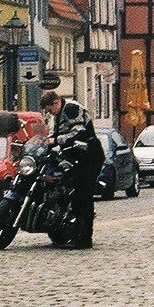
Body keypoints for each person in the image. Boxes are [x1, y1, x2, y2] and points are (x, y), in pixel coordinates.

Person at [41, 90, 104, 250]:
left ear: (56, 102)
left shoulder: (71, 109)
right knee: (76, 198)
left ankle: (84, 240)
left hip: (89, 155)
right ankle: (74, 234)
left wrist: (55, 140)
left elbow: (78, 132)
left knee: (84, 198)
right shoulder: (60, 112)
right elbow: (59, 133)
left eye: (50, 109)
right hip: (76, 156)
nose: (50, 113)